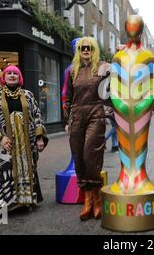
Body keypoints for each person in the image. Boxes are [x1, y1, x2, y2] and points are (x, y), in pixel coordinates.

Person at [0, 65, 48, 222]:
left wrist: (39, 138)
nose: (12, 75)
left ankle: (22, 202)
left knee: (27, 169)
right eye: (9, 73)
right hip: (6, 143)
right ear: (4, 77)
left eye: (15, 73)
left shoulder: (28, 95)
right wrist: (0, 137)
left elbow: (37, 115)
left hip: (27, 142)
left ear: (19, 77)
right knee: (1, 172)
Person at [64, 36, 110, 221]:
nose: (85, 50)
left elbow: (111, 90)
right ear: (78, 50)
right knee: (79, 157)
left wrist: (107, 111)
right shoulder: (72, 71)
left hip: (95, 114)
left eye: (89, 48)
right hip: (76, 115)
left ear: (94, 50)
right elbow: (68, 97)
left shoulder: (103, 67)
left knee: (91, 154)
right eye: (82, 47)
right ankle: (87, 200)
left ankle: (97, 199)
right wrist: (67, 120)